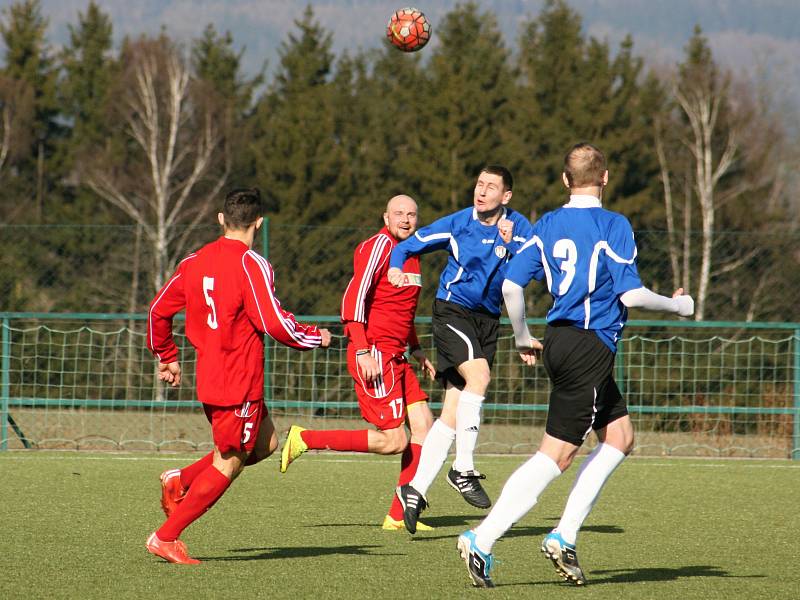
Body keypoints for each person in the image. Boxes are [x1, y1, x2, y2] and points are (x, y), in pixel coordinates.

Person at [457, 143, 695, 588]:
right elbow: (631, 296)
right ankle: (482, 538)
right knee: (558, 455)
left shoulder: (546, 224)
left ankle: (564, 536)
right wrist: (679, 305)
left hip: (564, 342)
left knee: (620, 438)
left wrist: (524, 336)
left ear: (566, 180)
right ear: (605, 178)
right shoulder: (614, 225)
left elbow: (511, 286)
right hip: (589, 347)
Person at [145, 188, 331, 564]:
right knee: (229, 463)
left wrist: (167, 355)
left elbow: (157, 311)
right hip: (237, 382)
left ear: (220, 219)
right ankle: (165, 537)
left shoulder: (193, 262)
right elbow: (275, 323)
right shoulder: (252, 264)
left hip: (213, 378)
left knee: (266, 445)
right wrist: (316, 336)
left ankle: (178, 480)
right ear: (259, 222)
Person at [387, 165, 535, 533]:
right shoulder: (457, 223)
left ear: (506, 197)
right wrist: (394, 266)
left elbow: (536, 270)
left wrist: (513, 243)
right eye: (479, 184)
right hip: (452, 311)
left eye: (491, 187)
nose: (481, 191)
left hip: (488, 321)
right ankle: (463, 468)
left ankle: (415, 489)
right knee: (480, 377)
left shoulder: (519, 227)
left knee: (453, 411)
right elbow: (407, 245)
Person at [279, 195, 436, 530]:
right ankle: (305, 439)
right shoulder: (379, 246)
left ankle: (398, 514)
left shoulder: (411, 253)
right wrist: (362, 349)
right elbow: (353, 298)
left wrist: (417, 348)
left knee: (424, 424)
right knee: (395, 440)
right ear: (386, 216)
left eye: (411, 214)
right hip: (375, 353)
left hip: (398, 354)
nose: (406, 219)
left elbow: (401, 309)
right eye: (399, 214)